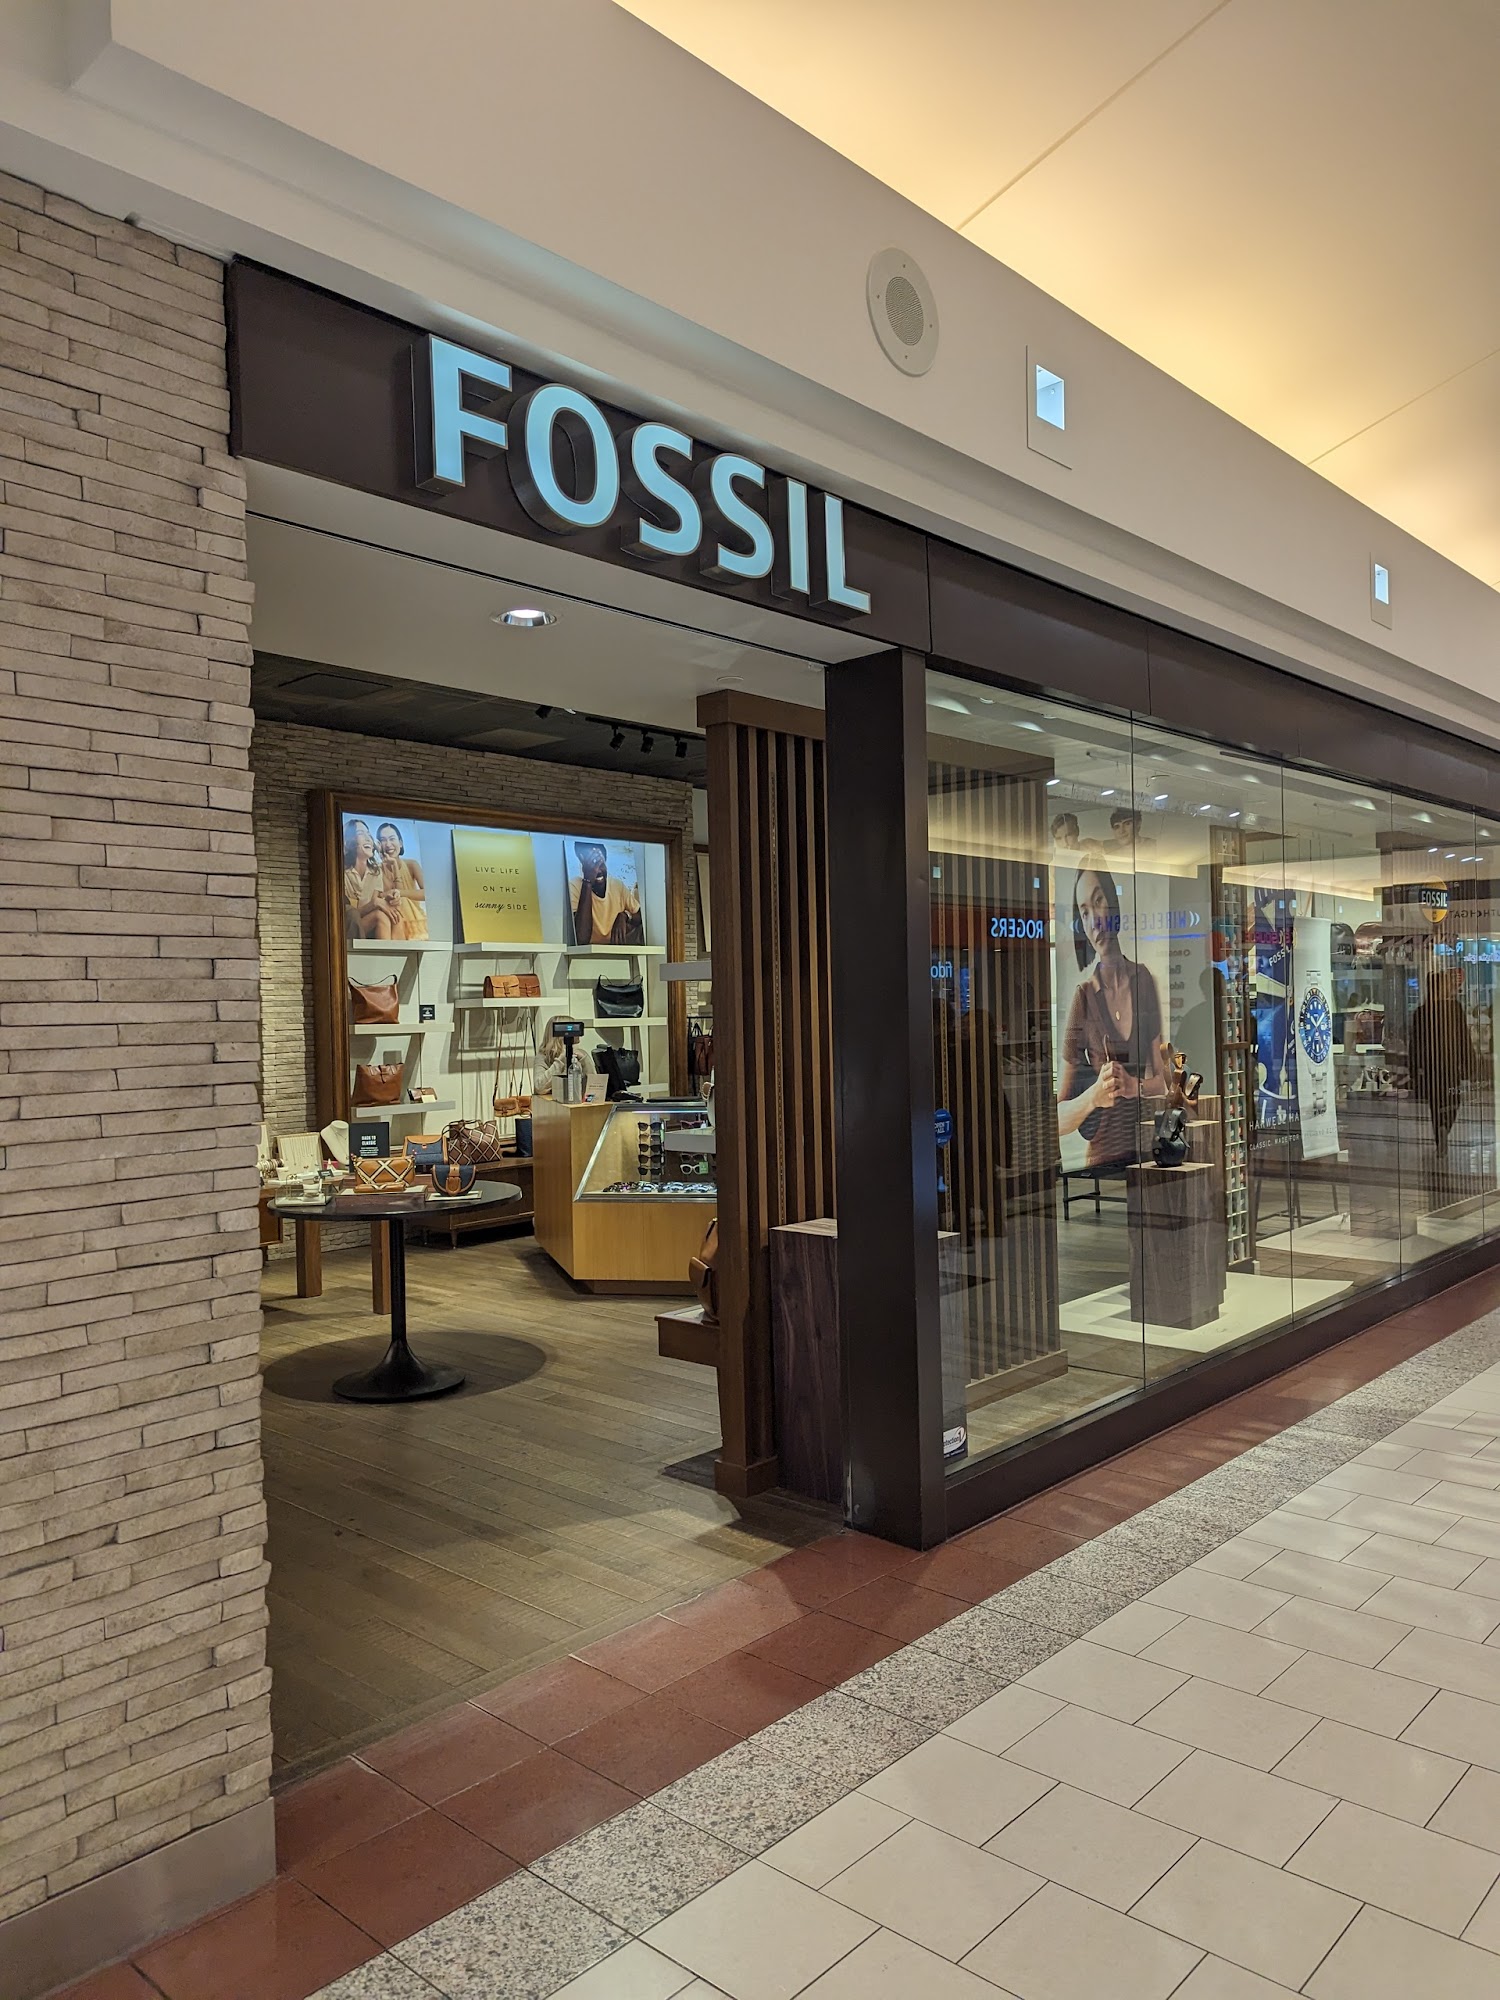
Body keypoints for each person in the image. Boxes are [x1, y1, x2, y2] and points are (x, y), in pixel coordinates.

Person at [1057, 867, 1166, 1168]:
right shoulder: (1083, 998)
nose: (1095, 920)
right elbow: (1057, 1119)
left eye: (1098, 901)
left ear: (1113, 905)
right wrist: (1093, 1096)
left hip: (1149, 1152)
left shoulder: (1143, 981)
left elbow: (1164, 1082)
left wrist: (1133, 1087)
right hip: (1103, 1160)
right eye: (1084, 912)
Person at [1408, 963, 1479, 1166]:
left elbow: (1415, 1044)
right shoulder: (1454, 1009)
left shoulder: (1421, 1012)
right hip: (1450, 1066)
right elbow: (1463, 1039)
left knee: (1435, 1104)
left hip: (1430, 1067)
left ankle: (1440, 1135)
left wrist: (1414, 1069)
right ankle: (1445, 1128)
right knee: (1453, 1100)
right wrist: (1470, 1064)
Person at [569, 840, 643, 945]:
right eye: (591, 866)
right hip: (588, 953)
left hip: (614, 951)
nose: (597, 871)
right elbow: (581, 939)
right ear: (583, 865)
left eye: (600, 863)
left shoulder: (617, 886)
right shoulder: (575, 886)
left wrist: (625, 916)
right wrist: (587, 881)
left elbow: (640, 916)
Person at [375, 822, 428, 939]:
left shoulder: (411, 864)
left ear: (400, 843)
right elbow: (378, 897)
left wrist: (401, 893)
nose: (388, 844)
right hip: (392, 919)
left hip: (414, 920)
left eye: (392, 839)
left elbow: (427, 894)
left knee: (401, 900)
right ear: (378, 845)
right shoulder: (377, 870)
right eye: (383, 840)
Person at [343, 820, 392, 938]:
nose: (368, 838)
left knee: (383, 915)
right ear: (349, 840)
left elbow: (374, 905)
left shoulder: (376, 872)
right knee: (353, 915)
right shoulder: (340, 872)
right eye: (361, 833)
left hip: (365, 924)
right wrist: (373, 903)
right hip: (345, 928)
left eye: (369, 834)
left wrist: (389, 898)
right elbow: (347, 915)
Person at [533, 1018, 598, 1096]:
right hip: (552, 1101)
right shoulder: (543, 1057)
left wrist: (584, 1060)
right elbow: (539, 1087)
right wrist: (560, 1060)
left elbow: (595, 1085)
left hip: (578, 1099)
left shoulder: (581, 1054)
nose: (577, 1033)